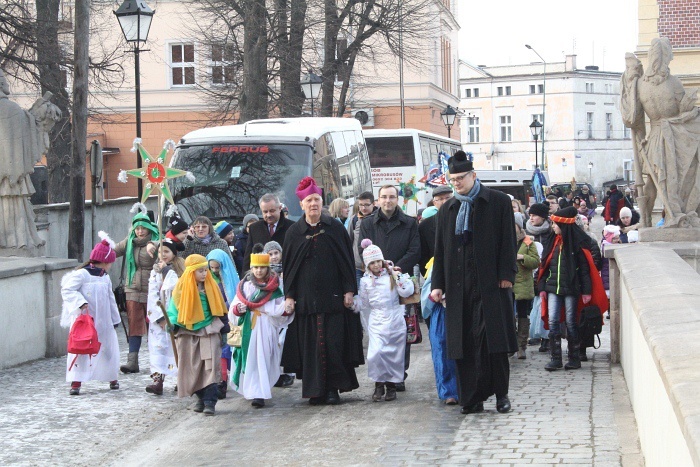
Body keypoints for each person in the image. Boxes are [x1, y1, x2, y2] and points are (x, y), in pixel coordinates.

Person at [430, 150, 518, 415]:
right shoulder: (448, 209)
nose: (456, 183)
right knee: (463, 343)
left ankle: (501, 395)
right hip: (459, 286)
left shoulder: (498, 202)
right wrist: (438, 284)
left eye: (460, 178)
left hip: (491, 283)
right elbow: (440, 250)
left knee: (495, 341)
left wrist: (507, 274)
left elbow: (508, 242)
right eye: (452, 179)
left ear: (473, 176)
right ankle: (472, 397)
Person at [282, 177, 364, 405]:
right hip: (306, 300)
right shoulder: (294, 233)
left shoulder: (334, 228)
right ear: (302, 204)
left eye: (317, 199)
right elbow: (289, 268)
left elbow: (346, 261)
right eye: (309, 200)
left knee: (333, 344)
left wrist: (349, 290)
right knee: (311, 348)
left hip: (333, 298)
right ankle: (314, 390)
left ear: (322, 202)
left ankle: (332, 389)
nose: (313, 204)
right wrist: (289, 296)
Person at [359, 184, 420, 391]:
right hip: (376, 279)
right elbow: (362, 249)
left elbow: (415, 249)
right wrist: (377, 266)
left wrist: (396, 269)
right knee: (379, 337)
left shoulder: (409, 223)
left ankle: (399, 373)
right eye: (384, 197)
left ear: (398, 199)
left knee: (403, 331)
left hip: (400, 278)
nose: (388, 201)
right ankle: (382, 376)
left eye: (392, 197)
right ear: (378, 200)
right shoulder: (368, 223)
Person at [537, 207, 606, 372]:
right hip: (553, 288)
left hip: (572, 289)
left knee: (571, 322)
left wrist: (587, 292)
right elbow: (544, 267)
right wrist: (541, 287)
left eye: (555, 223)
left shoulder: (577, 245)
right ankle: (555, 358)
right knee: (553, 321)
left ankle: (574, 357)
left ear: (563, 224)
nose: (552, 226)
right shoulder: (552, 243)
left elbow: (585, 270)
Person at [0, 68, 60, 254]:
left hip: (7, 178)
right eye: (4, 78)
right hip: (11, 179)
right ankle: (16, 243)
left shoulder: (13, 111)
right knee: (14, 214)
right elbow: (29, 133)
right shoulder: (11, 110)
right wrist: (39, 114)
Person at [167, 254, 229, 416]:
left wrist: (224, 330)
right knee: (192, 368)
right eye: (200, 271)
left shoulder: (213, 287)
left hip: (209, 330)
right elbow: (174, 310)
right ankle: (200, 398)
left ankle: (210, 401)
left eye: (206, 270)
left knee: (210, 366)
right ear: (191, 272)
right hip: (187, 332)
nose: (204, 274)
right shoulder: (181, 289)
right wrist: (172, 324)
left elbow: (221, 308)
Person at [61, 232, 121, 395]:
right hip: (86, 319)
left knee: (108, 348)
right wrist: (81, 303)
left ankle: (111, 376)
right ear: (104, 261)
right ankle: (76, 380)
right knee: (82, 347)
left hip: (104, 319)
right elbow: (67, 289)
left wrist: (115, 318)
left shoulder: (105, 277)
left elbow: (110, 298)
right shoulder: (81, 274)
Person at [355, 240, 414, 402]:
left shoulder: (391, 276)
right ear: (367, 265)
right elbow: (364, 302)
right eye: (371, 262)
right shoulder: (366, 281)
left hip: (395, 317)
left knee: (394, 353)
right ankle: (378, 383)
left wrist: (398, 276)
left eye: (377, 261)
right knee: (376, 353)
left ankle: (392, 385)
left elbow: (407, 291)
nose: (375, 265)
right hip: (377, 319)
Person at [230, 250, 290, 408]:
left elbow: (280, 307)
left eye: (262, 267)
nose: (259, 271)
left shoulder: (274, 287)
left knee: (264, 357)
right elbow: (234, 306)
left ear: (267, 268)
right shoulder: (245, 286)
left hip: (265, 326)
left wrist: (285, 309)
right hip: (249, 327)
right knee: (250, 358)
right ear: (251, 268)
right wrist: (238, 309)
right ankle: (255, 392)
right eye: (256, 267)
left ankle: (261, 391)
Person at [115, 203, 159, 374]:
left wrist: (153, 244)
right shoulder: (129, 242)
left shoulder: (156, 241)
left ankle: (156, 361)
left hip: (152, 290)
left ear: (149, 228)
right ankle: (132, 361)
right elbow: (113, 251)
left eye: (143, 228)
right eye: (137, 228)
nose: (140, 231)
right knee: (134, 324)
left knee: (154, 326)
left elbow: (167, 246)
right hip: (132, 288)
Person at [145, 238, 185, 395]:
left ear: (174, 254)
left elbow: (176, 288)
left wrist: (166, 271)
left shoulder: (179, 270)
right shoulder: (154, 272)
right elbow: (152, 294)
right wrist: (160, 317)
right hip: (159, 318)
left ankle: (180, 379)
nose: (163, 255)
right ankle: (157, 380)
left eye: (167, 252)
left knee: (177, 348)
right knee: (158, 348)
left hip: (175, 315)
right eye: (160, 252)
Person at [206, 248, 239, 399]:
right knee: (217, 352)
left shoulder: (230, 277)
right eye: (211, 267)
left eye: (217, 268)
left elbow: (233, 295)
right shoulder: (207, 279)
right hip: (213, 319)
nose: (214, 270)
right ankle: (220, 381)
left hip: (228, 318)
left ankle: (226, 380)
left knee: (226, 350)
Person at [262, 240, 295, 388]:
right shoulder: (264, 272)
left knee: (284, 341)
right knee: (274, 343)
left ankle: (288, 372)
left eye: (276, 253)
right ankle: (275, 373)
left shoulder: (287, 269)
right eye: (270, 254)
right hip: (272, 311)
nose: (274, 257)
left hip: (286, 309)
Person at [525, 202, 553, 352]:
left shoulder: (550, 232)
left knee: (545, 306)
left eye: (534, 215)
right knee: (535, 307)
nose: (531, 218)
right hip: (531, 273)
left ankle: (547, 338)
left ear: (542, 216)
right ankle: (536, 334)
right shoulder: (527, 233)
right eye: (530, 215)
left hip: (547, 273)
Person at [244, 194, 295, 272]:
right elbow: (248, 259)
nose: (268, 215)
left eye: (272, 211)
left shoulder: (292, 227)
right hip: (260, 279)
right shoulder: (254, 228)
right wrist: (245, 280)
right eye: (265, 212)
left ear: (280, 208)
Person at [513, 213, 540, 360]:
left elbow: (536, 261)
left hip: (523, 283)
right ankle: (511, 344)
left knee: (523, 314)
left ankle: (521, 346)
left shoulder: (528, 242)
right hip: (508, 284)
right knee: (509, 316)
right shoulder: (503, 240)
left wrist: (523, 257)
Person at [419, 185, 453, 274]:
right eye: (440, 199)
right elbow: (423, 255)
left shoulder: (463, 220)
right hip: (435, 272)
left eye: (448, 198)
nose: (444, 201)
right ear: (434, 203)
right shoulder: (425, 226)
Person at [347, 191, 377, 286]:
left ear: (373, 204)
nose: (363, 208)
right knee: (361, 295)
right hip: (359, 267)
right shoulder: (354, 219)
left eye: (367, 205)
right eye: (361, 205)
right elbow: (349, 240)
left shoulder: (379, 218)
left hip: (377, 265)